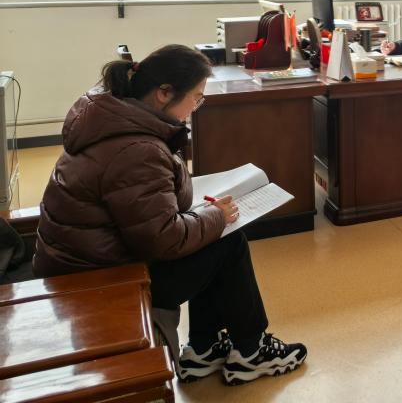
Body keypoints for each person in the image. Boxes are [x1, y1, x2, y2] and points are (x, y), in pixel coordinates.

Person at [33, 45, 307, 386]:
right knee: (228, 241)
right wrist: (216, 217)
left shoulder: (115, 119)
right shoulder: (136, 150)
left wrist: (205, 216)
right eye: (196, 98)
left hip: (88, 261)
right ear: (164, 93)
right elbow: (165, 240)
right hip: (101, 278)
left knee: (214, 236)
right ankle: (251, 351)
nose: (196, 107)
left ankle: (205, 349)